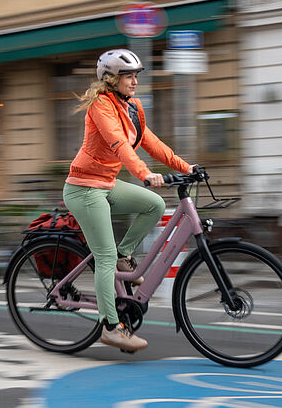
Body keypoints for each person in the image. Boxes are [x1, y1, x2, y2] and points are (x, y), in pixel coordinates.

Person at [62, 48, 195, 353]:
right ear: (111, 79)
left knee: (154, 205)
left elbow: (152, 143)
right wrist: (145, 173)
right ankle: (111, 328)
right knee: (104, 258)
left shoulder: (132, 107)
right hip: (84, 188)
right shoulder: (100, 106)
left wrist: (188, 168)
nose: (134, 81)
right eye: (128, 76)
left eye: (136, 76)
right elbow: (119, 144)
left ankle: (126, 255)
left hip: (106, 184)